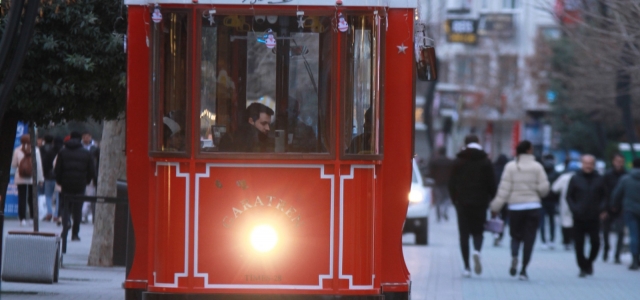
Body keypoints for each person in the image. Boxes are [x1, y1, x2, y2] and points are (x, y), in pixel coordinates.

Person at [490, 141, 549, 281]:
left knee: (515, 236)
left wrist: (495, 207)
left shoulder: (510, 167)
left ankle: (515, 255)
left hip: (515, 207)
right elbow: (544, 189)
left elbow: (504, 190)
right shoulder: (537, 167)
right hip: (533, 207)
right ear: (529, 150)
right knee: (530, 239)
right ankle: (523, 270)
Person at [448, 135, 496, 277]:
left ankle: (467, 267)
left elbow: (451, 184)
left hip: (462, 203)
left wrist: (454, 200)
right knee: (478, 231)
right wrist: (491, 199)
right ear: (478, 142)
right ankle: (477, 251)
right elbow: (492, 184)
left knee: (464, 235)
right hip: (480, 202)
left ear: (465, 143)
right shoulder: (485, 161)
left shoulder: (458, 161)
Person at [566, 154, 606, 277]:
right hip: (579, 217)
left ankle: (589, 262)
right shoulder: (575, 178)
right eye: (585, 163)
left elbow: (605, 196)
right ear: (582, 164)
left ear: (594, 165)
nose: (588, 166)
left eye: (590, 163)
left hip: (594, 217)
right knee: (579, 244)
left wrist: (602, 209)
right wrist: (574, 209)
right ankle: (582, 267)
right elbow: (569, 196)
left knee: (596, 243)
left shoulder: (599, 179)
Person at [55, 131, 97, 241]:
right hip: (80, 184)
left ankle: (66, 222)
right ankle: (75, 234)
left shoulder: (62, 152)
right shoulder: (86, 153)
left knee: (65, 206)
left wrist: (60, 181)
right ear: (80, 139)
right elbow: (91, 170)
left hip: (66, 183)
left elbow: (57, 169)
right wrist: (87, 181)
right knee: (77, 209)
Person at [611, 158, 640, 270]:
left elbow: (617, 193)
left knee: (633, 235)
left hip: (630, 210)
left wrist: (613, 205)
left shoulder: (626, 179)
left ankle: (634, 261)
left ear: (632, 165)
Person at [11, 134, 44, 226]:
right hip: (32, 178)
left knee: (22, 198)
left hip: (20, 177)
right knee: (32, 197)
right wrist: (40, 179)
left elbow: (14, 164)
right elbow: (39, 166)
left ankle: (22, 219)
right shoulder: (36, 150)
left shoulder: (17, 150)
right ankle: (33, 218)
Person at [601, 153, 626, 263]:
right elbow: (603, 193)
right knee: (606, 231)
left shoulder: (626, 175)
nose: (619, 164)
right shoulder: (607, 175)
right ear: (613, 161)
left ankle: (617, 255)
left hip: (621, 209)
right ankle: (606, 249)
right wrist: (603, 209)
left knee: (620, 232)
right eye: (617, 161)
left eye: (621, 161)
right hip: (608, 208)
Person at [552, 161, 580, 251]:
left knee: (565, 222)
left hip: (565, 203)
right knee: (575, 222)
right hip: (578, 203)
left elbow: (554, 188)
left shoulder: (564, 177)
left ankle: (566, 242)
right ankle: (574, 241)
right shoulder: (579, 177)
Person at [539, 154, 560, 249]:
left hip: (542, 199)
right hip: (552, 200)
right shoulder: (556, 173)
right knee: (552, 221)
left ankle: (543, 241)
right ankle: (552, 240)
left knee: (542, 221)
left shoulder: (540, 173)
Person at [429, 147, 454, 222]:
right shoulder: (449, 161)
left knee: (438, 200)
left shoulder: (434, 161)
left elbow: (431, 172)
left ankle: (438, 215)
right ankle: (444, 211)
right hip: (447, 183)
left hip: (437, 182)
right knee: (447, 198)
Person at [40, 135, 59, 221]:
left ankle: (49, 213)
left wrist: (44, 174)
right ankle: (56, 214)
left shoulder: (48, 152)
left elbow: (44, 164)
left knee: (48, 195)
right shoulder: (61, 152)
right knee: (58, 196)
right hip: (58, 177)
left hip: (48, 177)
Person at [492, 154, 510, 246]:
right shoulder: (507, 171)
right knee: (504, 218)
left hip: (494, 197)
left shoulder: (493, 169)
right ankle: (500, 235)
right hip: (505, 198)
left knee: (495, 217)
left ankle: (495, 233)